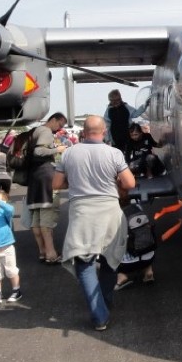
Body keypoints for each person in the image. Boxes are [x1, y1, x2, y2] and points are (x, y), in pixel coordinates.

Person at [53, 115, 135, 331]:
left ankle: (100, 315)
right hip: (109, 211)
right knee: (110, 261)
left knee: (84, 264)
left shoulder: (69, 153)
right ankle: (104, 304)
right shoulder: (114, 153)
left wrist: (77, 181)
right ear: (104, 131)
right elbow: (129, 183)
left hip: (82, 213)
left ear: (83, 132)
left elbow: (56, 183)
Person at [27, 113, 68, 263]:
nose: (59, 129)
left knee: (36, 218)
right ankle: (51, 253)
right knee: (47, 216)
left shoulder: (36, 131)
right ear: (54, 120)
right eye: (60, 125)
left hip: (34, 177)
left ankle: (42, 251)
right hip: (45, 176)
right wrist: (58, 149)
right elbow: (39, 151)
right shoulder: (45, 132)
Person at [103, 89, 135, 155]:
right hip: (115, 137)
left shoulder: (126, 107)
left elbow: (135, 113)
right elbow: (106, 125)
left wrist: (144, 106)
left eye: (117, 100)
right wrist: (108, 139)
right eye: (113, 101)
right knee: (117, 155)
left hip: (127, 135)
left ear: (120, 99)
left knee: (127, 154)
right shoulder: (109, 110)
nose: (115, 103)